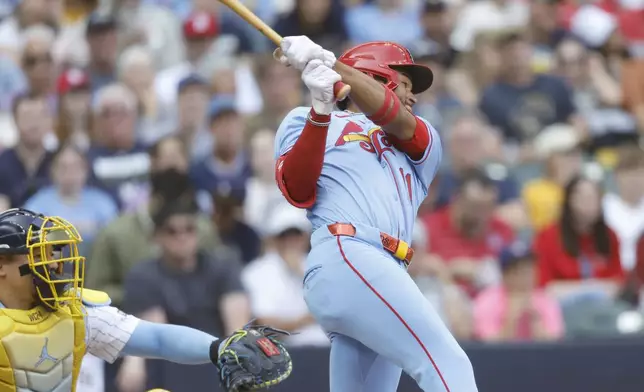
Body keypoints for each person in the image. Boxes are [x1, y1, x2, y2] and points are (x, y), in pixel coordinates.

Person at [274, 36, 477, 391]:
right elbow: (297, 190)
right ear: (378, 74)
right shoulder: (301, 120)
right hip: (348, 252)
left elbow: (390, 113)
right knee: (447, 362)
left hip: (384, 270)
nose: (414, 97)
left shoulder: (422, 141)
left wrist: (331, 63)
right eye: (407, 85)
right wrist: (320, 112)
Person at [0, 207, 291, 392]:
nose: (52, 264)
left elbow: (157, 339)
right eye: (39, 255)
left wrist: (218, 348)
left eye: (52, 254)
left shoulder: (73, 311)